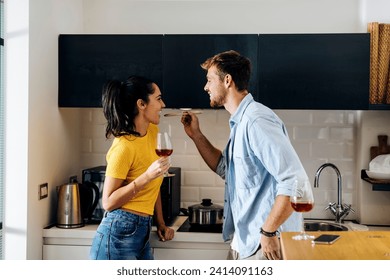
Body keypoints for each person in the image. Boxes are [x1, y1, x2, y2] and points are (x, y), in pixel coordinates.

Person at [181, 50, 309, 260]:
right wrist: (196, 135)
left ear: (227, 80)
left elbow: (295, 181)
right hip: (246, 241)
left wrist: (268, 231)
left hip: (266, 246)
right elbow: (226, 169)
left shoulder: (256, 121)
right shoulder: (241, 122)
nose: (206, 87)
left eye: (210, 80)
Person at [89, 76, 174, 260]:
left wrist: (160, 222)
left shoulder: (152, 133)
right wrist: (147, 175)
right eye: (158, 99)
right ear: (141, 104)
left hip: (143, 228)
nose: (163, 104)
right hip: (118, 232)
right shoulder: (123, 146)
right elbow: (108, 202)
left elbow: (154, 183)